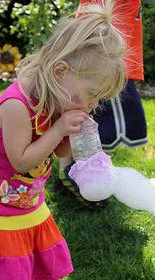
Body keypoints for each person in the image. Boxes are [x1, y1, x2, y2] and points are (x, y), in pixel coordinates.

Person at [0, 1, 127, 279]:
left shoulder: (54, 102)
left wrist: (73, 137)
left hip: (29, 207)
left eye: (99, 98)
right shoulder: (17, 106)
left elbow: (57, 154)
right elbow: (22, 162)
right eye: (92, 93)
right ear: (61, 73)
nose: (93, 103)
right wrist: (59, 129)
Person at [56, 0, 148, 209]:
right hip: (105, 49)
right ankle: (76, 172)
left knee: (93, 113)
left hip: (115, 41)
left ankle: (87, 173)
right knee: (99, 116)